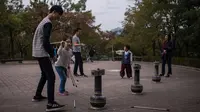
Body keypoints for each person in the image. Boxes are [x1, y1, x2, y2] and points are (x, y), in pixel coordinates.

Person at [32, 5, 65, 111]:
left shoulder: (43, 21)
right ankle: (50, 104)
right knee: (51, 77)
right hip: (42, 53)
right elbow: (46, 42)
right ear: (54, 12)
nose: (57, 18)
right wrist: (52, 54)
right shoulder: (48, 23)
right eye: (58, 15)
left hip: (37, 52)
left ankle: (37, 96)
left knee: (44, 75)